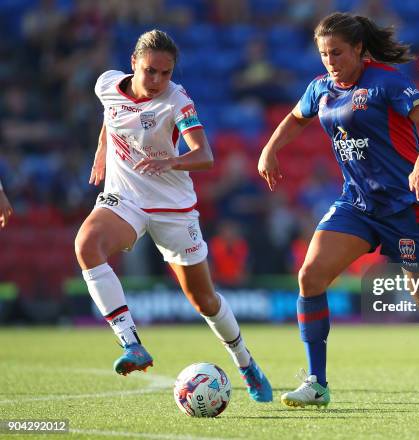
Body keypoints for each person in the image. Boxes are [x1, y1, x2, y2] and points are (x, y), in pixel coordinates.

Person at [258, 12, 419, 408]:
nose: (330, 61)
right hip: (357, 205)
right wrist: (270, 149)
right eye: (324, 54)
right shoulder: (320, 88)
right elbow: (295, 119)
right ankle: (317, 382)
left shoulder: (387, 82)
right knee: (310, 276)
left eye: (337, 53)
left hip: (406, 207)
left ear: (359, 49)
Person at [74, 30, 272, 402]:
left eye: (166, 73)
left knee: (204, 301)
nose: (158, 81)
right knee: (86, 245)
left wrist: (171, 161)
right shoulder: (106, 84)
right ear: (133, 63)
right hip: (125, 199)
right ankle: (132, 344)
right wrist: (102, 148)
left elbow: (204, 154)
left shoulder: (176, 101)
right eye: (151, 71)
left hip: (173, 209)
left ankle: (246, 363)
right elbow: (111, 114)